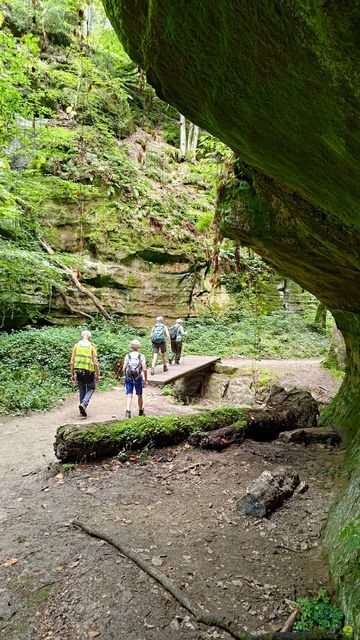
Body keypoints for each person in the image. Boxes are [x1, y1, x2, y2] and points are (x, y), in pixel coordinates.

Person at [70, 330, 99, 417]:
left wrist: (72, 374)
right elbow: (95, 362)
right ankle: (83, 405)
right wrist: (98, 374)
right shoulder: (92, 346)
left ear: (81, 336)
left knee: (82, 388)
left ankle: (82, 407)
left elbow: (72, 361)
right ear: (89, 337)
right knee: (91, 388)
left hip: (79, 371)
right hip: (89, 371)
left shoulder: (76, 346)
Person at [123, 339, 147, 418]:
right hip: (138, 378)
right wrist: (145, 380)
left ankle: (128, 412)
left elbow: (124, 368)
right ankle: (140, 411)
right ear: (138, 347)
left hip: (129, 377)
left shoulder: (128, 355)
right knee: (139, 395)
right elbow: (144, 369)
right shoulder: (141, 356)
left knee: (129, 394)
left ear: (131, 347)